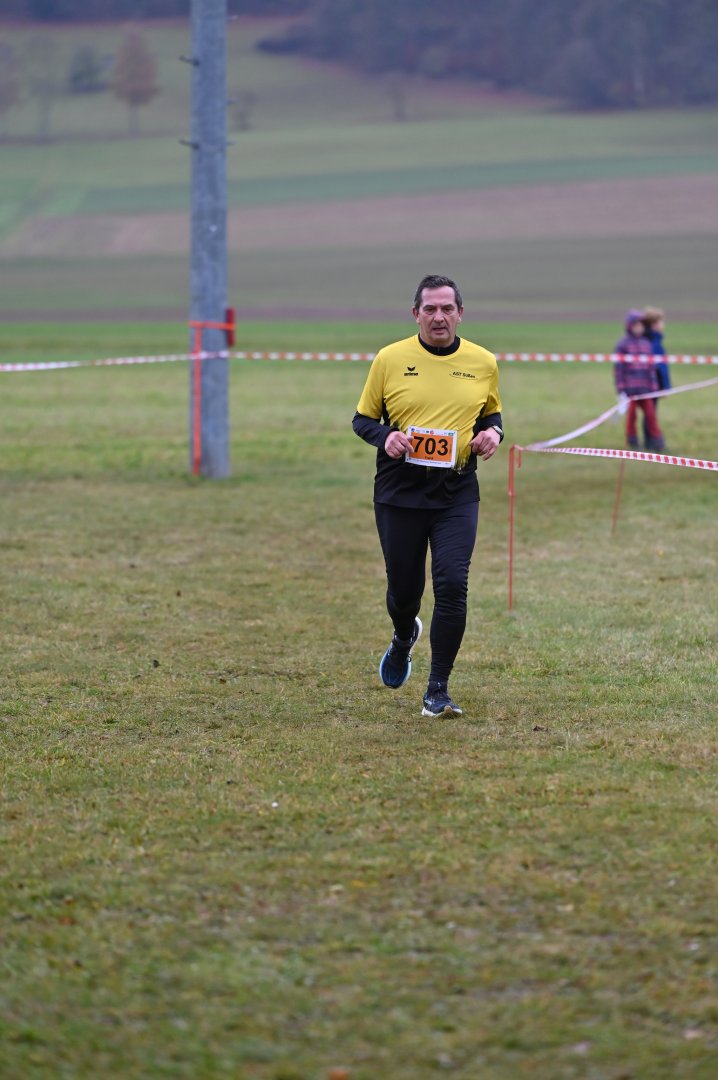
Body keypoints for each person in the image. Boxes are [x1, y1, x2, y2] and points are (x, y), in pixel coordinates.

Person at [352, 274, 504, 717]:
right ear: (416, 313)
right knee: (404, 592)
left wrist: (494, 435)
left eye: (447, 309)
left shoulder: (483, 362)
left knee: (453, 584)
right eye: (430, 309)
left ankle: (438, 689)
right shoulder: (390, 358)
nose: (439, 317)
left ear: (460, 313)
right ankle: (404, 636)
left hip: (457, 490)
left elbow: (491, 415)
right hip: (400, 490)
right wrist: (386, 437)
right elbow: (363, 420)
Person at [614, 309, 665, 452]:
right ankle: (632, 443)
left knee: (651, 416)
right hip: (630, 390)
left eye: (641, 325)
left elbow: (651, 368)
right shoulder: (623, 345)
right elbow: (619, 370)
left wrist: (654, 387)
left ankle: (658, 443)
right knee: (631, 417)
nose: (639, 328)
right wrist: (621, 389)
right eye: (636, 325)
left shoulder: (646, 344)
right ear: (630, 326)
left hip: (645, 389)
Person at [641, 306, 671, 443]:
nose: (663, 324)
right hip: (652, 383)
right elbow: (659, 367)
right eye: (661, 321)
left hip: (654, 382)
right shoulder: (652, 342)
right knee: (650, 413)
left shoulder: (656, 339)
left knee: (651, 412)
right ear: (653, 324)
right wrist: (663, 385)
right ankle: (652, 442)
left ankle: (650, 441)